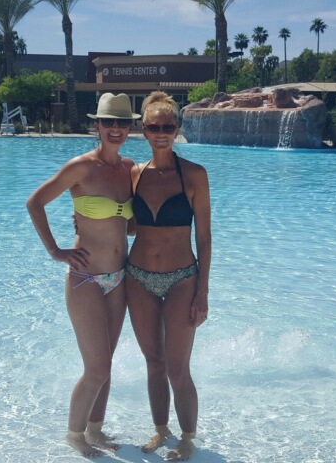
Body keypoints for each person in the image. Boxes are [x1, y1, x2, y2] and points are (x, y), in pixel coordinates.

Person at [26, 92, 138, 458]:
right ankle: (75, 436)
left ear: (130, 127)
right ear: (98, 126)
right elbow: (35, 202)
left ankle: (95, 430)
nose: (116, 129)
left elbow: (131, 225)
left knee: (107, 363)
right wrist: (55, 251)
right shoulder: (81, 167)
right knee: (97, 367)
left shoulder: (130, 169)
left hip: (118, 279)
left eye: (123, 122)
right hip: (86, 279)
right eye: (109, 122)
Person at [127, 91, 211, 461]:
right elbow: (130, 226)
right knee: (154, 363)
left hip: (182, 279)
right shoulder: (134, 174)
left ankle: (188, 438)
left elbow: (204, 238)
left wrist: (202, 292)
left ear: (177, 130)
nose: (161, 133)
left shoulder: (194, 174)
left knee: (178, 368)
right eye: (153, 127)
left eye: (168, 127)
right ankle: (161, 430)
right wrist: (89, 221)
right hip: (137, 278)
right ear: (143, 130)